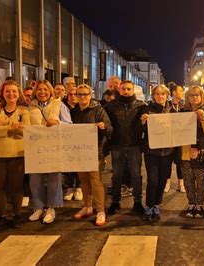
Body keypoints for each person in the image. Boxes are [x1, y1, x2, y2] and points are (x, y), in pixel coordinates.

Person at [0, 80, 30, 228]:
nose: (11, 94)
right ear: (2, 93)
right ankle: (2, 215)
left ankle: (17, 214)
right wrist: (12, 127)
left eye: (14, 91)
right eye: (7, 91)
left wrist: (3, 125)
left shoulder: (24, 111)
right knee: (0, 186)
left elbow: (26, 130)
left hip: (17, 153)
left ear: (19, 94)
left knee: (17, 186)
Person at [71, 84, 113, 226]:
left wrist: (104, 126)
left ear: (90, 95)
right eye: (80, 94)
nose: (82, 97)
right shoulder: (73, 111)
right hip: (79, 151)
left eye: (85, 94)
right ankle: (87, 206)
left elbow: (110, 128)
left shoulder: (98, 110)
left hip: (95, 152)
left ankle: (100, 210)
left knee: (96, 181)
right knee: (83, 180)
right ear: (76, 96)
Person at [104, 80, 146, 215]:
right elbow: (107, 124)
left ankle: (137, 202)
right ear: (119, 90)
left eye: (129, 89)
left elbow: (147, 125)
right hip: (117, 145)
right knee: (116, 175)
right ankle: (115, 202)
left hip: (135, 145)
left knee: (136, 175)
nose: (126, 91)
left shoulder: (141, 106)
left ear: (133, 90)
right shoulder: (110, 106)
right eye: (123, 89)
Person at [28, 80, 64, 224]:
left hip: (54, 147)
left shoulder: (59, 105)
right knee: (35, 179)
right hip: (35, 147)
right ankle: (38, 207)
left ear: (50, 91)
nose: (42, 92)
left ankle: (51, 208)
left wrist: (57, 123)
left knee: (53, 179)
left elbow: (68, 123)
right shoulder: (30, 107)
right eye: (39, 90)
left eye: (45, 90)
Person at [140, 85, 176, 221]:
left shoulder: (172, 111)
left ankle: (156, 205)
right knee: (153, 181)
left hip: (167, 152)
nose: (160, 97)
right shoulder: (146, 110)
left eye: (163, 94)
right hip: (151, 152)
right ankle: (149, 206)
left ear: (167, 96)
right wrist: (142, 122)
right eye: (157, 94)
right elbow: (139, 130)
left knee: (162, 181)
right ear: (153, 96)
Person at [181, 85, 204, 218]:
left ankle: (199, 205)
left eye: (197, 95)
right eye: (191, 95)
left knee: (201, 180)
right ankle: (191, 203)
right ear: (188, 98)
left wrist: (202, 119)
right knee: (188, 180)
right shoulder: (183, 111)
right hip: (185, 151)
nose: (194, 97)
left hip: (202, 152)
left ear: (202, 97)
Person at [62, 87, 82, 202]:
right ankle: (70, 188)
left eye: (76, 94)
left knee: (78, 165)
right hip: (66, 141)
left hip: (80, 142)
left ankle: (79, 188)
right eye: (71, 94)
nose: (73, 96)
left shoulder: (83, 108)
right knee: (69, 166)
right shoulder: (62, 107)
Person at [164, 82, 186, 193]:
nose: (182, 93)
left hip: (180, 139)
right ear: (174, 92)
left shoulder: (184, 106)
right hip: (168, 138)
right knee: (167, 161)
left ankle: (180, 183)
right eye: (180, 90)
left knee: (180, 162)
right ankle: (167, 182)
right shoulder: (166, 105)